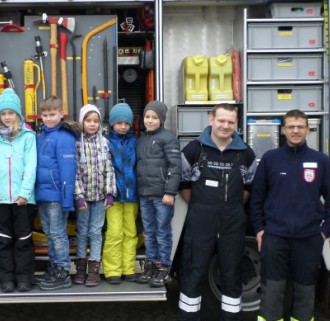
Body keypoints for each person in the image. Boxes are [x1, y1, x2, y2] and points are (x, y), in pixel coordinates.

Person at [251, 109, 330, 321]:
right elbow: (256, 199)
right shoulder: (270, 159)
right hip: (275, 238)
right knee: (272, 292)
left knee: (305, 294)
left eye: (300, 126)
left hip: (309, 239)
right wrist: (260, 229)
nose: (296, 131)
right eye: (291, 126)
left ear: (308, 129)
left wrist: (325, 232)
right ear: (283, 130)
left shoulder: (321, 161)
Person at [177, 104, 257, 320]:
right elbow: (183, 183)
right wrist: (201, 208)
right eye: (221, 120)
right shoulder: (194, 150)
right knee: (194, 273)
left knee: (232, 275)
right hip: (201, 222)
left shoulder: (245, 153)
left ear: (236, 124)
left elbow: (248, 187)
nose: (225, 126)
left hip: (233, 223)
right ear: (211, 119)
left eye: (230, 122)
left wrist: (230, 208)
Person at [0, 88, 38, 293]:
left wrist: (25, 193)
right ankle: (6, 278)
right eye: (3, 113)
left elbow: (31, 165)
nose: (7, 117)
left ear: (18, 114)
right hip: (0, 199)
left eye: (10, 113)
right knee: (2, 240)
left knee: (23, 240)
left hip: (23, 200)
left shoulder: (28, 136)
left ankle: (24, 278)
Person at [135, 100, 182, 287]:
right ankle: (151, 265)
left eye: (154, 117)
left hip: (162, 196)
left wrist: (170, 191)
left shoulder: (168, 138)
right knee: (149, 233)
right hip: (145, 194)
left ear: (161, 119)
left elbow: (175, 166)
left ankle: (163, 268)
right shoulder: (142, 140)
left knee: (162, 232)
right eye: (147, 117)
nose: (150, 120)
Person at [34, 96, 78, 291]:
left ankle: (63, 271)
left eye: (53, 114)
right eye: (45, 115)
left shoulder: (64, 138)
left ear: (62, 114)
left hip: (57, 197)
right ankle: (54, 267)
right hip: (43, 195)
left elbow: (68, 171)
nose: (49, 118)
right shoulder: (42, 136)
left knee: (58, 234)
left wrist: (67, 200)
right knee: (50, 234)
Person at [72, 104, 116, 287]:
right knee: (82, 232)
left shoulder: (104, 143)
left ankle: (94, 271)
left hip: (99, 198)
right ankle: (80, 269)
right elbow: (73, 172)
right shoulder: (77, 143)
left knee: (95, 232)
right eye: (88, 120)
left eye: (95, 121)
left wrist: (110, 193)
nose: (92, 124)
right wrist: (78, 195)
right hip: (83, 198)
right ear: (82, 122)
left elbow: (109, 169)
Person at [103, 103, 140, 285]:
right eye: (119, 123)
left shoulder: (136, 142)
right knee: (114, 233)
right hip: (114, 196)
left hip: (132, 196)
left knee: (131, 233)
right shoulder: (107, 142)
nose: (123, 126)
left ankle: (128, 268)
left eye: (126, 123)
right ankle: (112, 270)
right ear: (112, 124)